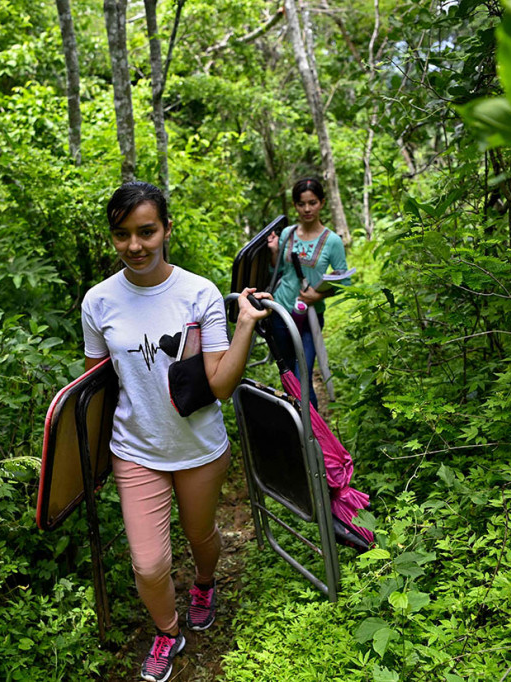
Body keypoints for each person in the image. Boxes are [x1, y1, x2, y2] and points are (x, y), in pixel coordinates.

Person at [81, 181, 271, 682]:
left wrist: (246, 326)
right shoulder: (98, 302)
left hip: (198, 447)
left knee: (199, 533)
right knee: (147, 564)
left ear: (166, 229)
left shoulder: (198, 292)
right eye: (122, 235)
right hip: (135, 449)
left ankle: (204, 581)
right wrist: (92, 464)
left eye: (146, 231)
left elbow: (221, 386)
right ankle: (167, 631)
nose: (135, 246)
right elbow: (94, 388)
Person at [267, 177, 350, 409]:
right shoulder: (287, 234)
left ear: (322, 203)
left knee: (302, 376)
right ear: (295, 205)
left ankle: (314, 434)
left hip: (310, 318)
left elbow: (346, 280)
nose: (307, 209)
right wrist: (274, 252)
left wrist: (319, 296)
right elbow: (278, 271)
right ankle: (296, 431)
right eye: (301, 204)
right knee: (288, 376)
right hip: (281, 313)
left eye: (312, 203)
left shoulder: (332, 241)